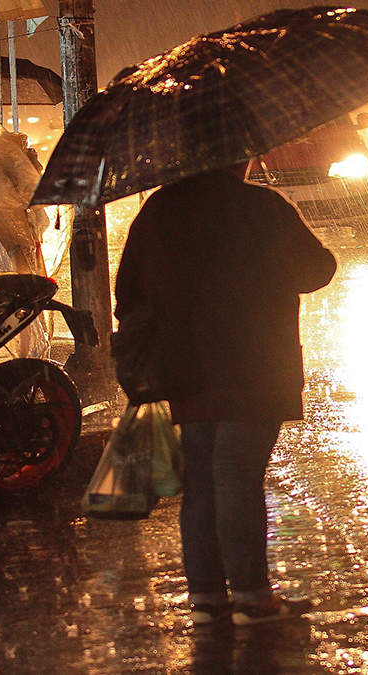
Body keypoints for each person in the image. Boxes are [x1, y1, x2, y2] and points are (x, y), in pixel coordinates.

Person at [115, 161, 337, 627]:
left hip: (183, 367)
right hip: (253, 363)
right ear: (234, 154)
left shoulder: (158, 211)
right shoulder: (260, 206)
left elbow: (128, 293)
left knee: (200, 479)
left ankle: (208, 596)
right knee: (237, 475)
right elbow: (315, 270)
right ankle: (253, 596)